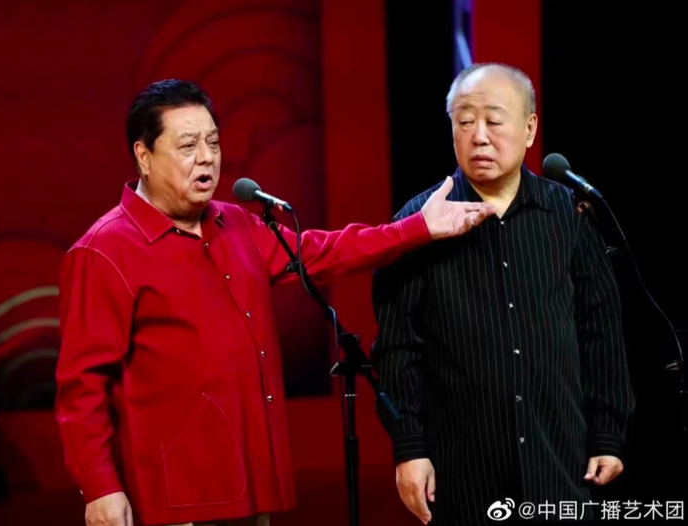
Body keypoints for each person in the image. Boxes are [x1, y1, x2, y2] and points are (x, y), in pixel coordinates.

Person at [55, 79, 496, 526]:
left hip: (248, 490)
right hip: (170, 499)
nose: (206, 157)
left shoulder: (236, 223)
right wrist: (100, 486)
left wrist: (418, 228)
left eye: (213, 142)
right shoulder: (104, 251)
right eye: (188, 145)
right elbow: (81, 389)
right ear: (144, 156)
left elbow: (324, 252)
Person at [372, 63, 634, 525]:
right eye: (464, 121)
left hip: (560, 458)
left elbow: (601, 329)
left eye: (494, 121)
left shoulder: (569, 215)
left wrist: (607, 433)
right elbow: (397, 348)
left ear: (529, 128)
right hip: (462, 469)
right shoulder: (416, 223)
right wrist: (409, 447)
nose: (479, 136)